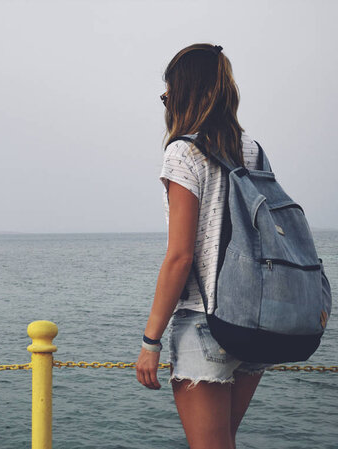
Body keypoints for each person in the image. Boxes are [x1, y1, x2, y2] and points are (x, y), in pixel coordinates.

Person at [135, 43, 272, 449]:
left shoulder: (183, 152)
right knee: (222, 441)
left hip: (205, 320)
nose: (165, 102)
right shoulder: (253, 149)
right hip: (255, 317)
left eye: (167, 93)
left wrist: (150, 342)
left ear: (185, 93)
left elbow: (180, 256)